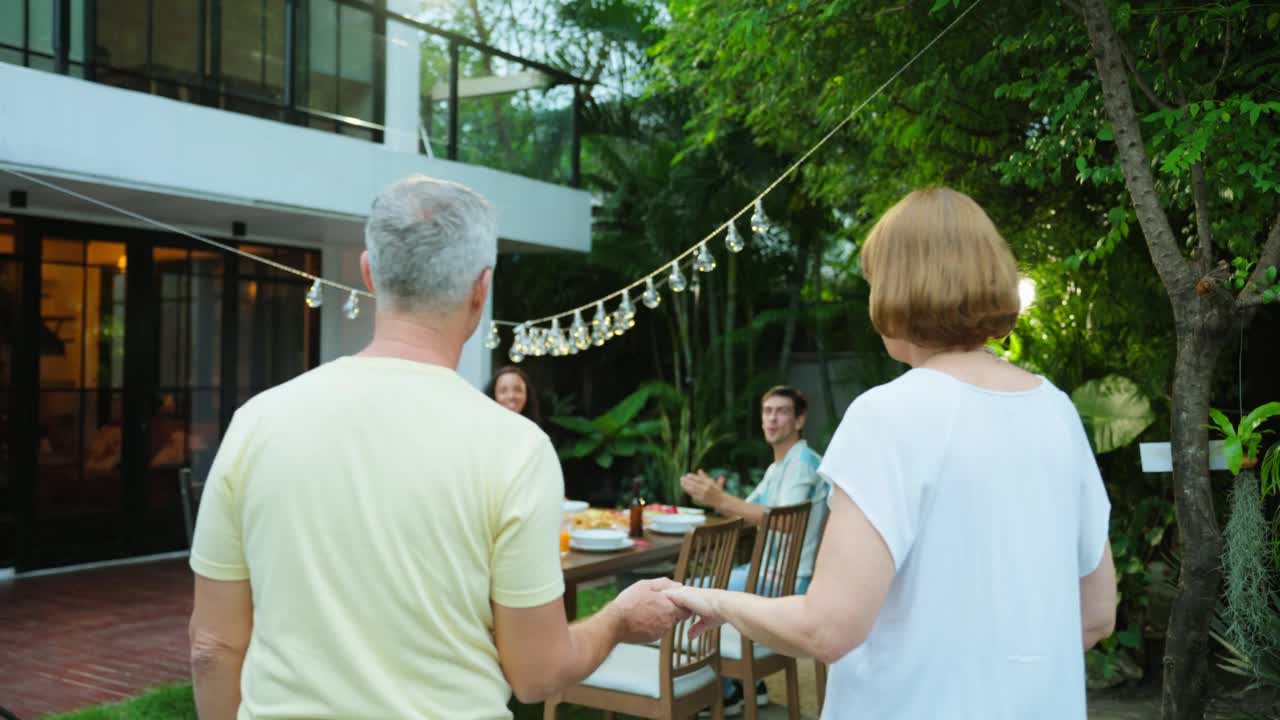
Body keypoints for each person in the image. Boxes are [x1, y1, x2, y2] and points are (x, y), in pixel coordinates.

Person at [187, 175, 687, 719]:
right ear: (481, 289)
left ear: (370, 274)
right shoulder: (516, 448)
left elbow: (212, 647)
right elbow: (537, 672)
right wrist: (616, 620)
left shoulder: (256, 422)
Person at [665, 187, 1116, 719]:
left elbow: (827, 627)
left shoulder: (887, 415)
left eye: (874, 281)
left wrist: (716, 600)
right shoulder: (1055, 410)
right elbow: (1096, 614)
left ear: (898, 290)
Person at [680, 385, 828, 714]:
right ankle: (748, 683)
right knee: (703, 587)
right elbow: (747, 512)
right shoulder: (780, 467)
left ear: (799, 421)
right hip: (766, 575)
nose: (772, 418)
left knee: (694, 595)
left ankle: (726, 691)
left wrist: (721, 501)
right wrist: (714, 500)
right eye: (767, 411)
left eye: (782, 411)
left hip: (787, 583)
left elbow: (787, 522)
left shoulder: (802, 463)